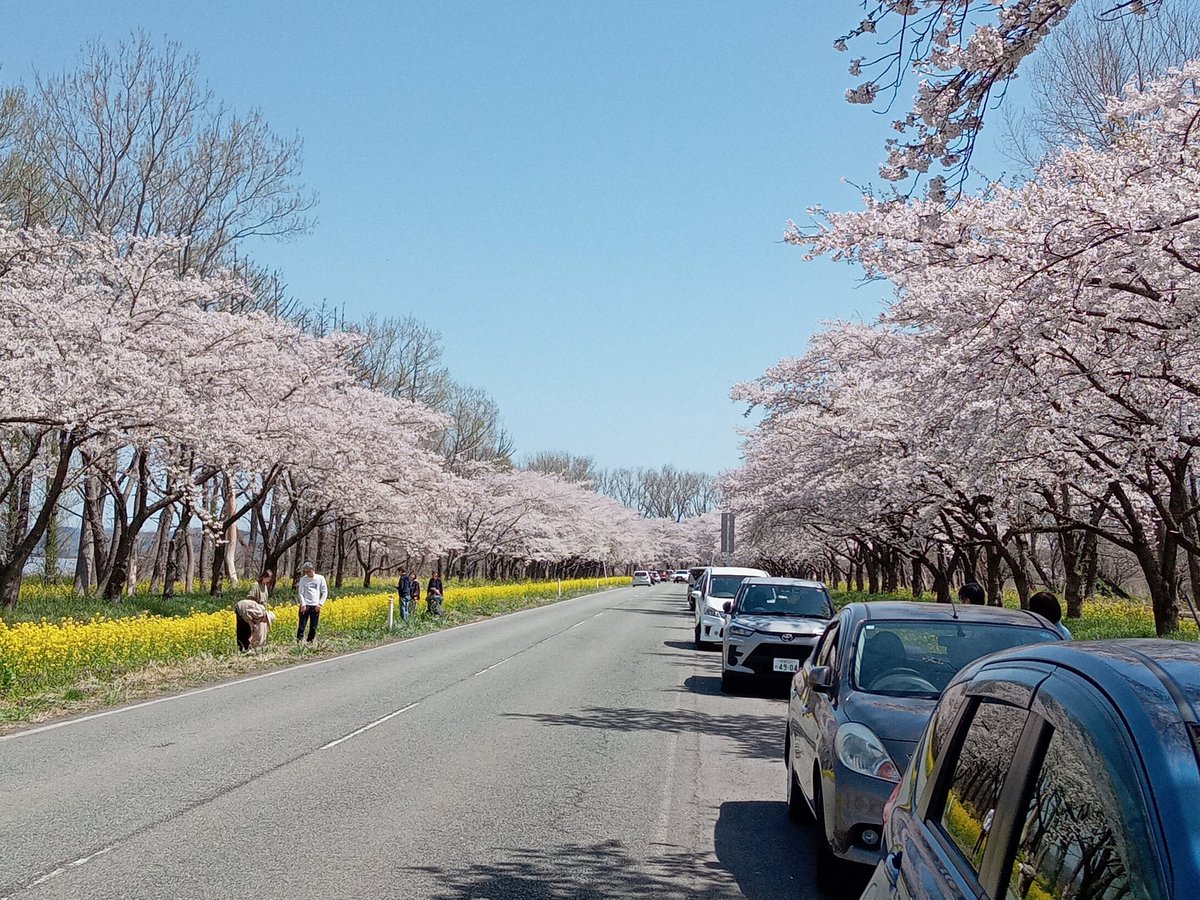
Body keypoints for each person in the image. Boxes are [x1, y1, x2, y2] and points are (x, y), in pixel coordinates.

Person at [234, 570, 275, 652]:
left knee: (259, 631)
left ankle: (257, 647)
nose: (269, 580)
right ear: (264, 577)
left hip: (260, 610)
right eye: (268, 578)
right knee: (246, 630)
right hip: (252, 610)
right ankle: (245, 648)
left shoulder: (265, 586)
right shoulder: (256, 585)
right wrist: (253, 619)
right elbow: (250, 599)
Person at [296, 561, 328, 644]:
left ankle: (310, 642)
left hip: (315, 605)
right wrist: (303, 604)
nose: (307, 573)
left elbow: (324, 592)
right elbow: (301, 593)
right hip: (305, 605)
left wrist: (320, 604)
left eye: (308, 571)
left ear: (313, 569)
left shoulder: (320, 578)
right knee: (302, 626)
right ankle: (299, 642)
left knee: (313, 627)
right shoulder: (303, 579)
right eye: (305, 571)